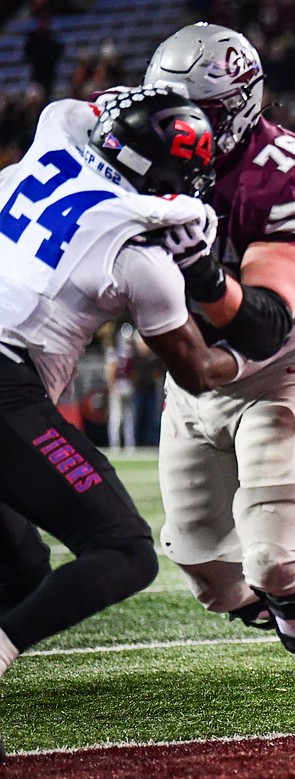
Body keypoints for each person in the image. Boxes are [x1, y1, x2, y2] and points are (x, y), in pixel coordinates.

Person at [143, 23, 295, 758]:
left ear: (239, 106)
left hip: (283, 365)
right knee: (207, 567)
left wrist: (205, 273)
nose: (175, 128)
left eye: (197, 113)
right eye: (165, 109)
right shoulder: (130, 140)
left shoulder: (287, 170)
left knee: (275, 557)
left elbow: (266, 323)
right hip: (192, 374)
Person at [0, 87, 240, 679]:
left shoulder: (56, 133)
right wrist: (208, 281)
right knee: (125, 549)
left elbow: (80, 106)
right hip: (5, 381)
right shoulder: (139, 250)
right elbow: (196, 371)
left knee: (22, 565)